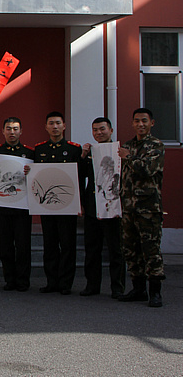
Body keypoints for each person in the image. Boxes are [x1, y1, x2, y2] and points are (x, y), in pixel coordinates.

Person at [32, 111, 84, 296]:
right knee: (50, 245)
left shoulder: (74, 149)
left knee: (68, 245)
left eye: (58, 123)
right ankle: (51, 281)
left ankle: (66, 283)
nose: (54, 127)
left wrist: (80, 203)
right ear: (46, 127)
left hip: (67, 205)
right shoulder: (39, 150)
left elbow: (81, 178)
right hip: (46, 206)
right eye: (51, 123)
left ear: (64, 126)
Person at [118, 108, 165, 307]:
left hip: (148, 208)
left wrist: (127, 157)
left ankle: (155, 292)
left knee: (150, 250)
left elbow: (147, 169)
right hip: (128, 207)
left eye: (144, 121)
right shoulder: (127, 145)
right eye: (137, 121)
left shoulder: (156, 145)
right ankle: (138, 289)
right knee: (131, 250)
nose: (140, 124)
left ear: (152, 123)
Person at [79, 117, 125, 298]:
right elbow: (81, 175)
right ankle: (92, 286)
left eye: (102, 129)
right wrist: (83, 157)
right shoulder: (90, 151)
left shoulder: (119, 151)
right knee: (91, 250)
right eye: (95, 130)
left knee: (116, 250)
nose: (99, 133)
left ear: (111, 130)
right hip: (92, 208)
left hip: (113, 206)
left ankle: (118, 287)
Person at [0, 117, 34, 292]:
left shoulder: (30, 154)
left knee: (23, 246)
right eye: (8, 128)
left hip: (23, 207)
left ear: (21, 131)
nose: (12, 132)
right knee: (6, 246)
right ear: (3, 131)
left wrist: (32, 171)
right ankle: (9, 279)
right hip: (3, 206)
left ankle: (23, 281)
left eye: (15, 128)